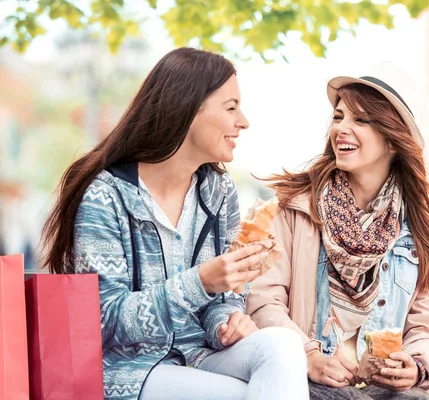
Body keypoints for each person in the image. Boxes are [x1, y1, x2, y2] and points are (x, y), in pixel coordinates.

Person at [40, 47, 309, 400]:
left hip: (198, 355)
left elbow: (226, 297)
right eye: (231, 108)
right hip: (129, 371)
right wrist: (199, 282)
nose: (243, 121)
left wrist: (227, 322)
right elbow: (102, 321)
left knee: (284, 347)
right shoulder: (106, 197)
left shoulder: (218, 190)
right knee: (239, 395)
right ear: (187, 108)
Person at [247, 76, 429, 400]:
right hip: (308, 381)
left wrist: (415, 365)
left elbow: (428, 324)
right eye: (338, 117)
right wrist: (307, 355)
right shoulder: (296, 211)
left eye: (360, 120)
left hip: (387, 389)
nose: (341, 128)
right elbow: (263, 301)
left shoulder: (428, 232)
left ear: (391, 141)